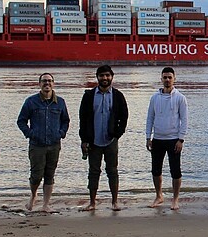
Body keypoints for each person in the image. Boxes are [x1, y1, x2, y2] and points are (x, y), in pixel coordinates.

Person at [17, 72, 71, 212]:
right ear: (39, 84)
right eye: (44, 81)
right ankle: (33, 196)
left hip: (54, 144)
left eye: (50, 81)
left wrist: (61, 133)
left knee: (50, 174)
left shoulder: (60, 102)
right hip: (37, 145)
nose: (47, 84)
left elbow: (65, 120)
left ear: (53, 83)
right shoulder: (31, 101)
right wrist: (30, 134)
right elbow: (21, 120)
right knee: (36, 175)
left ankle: (46, 204)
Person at [79, 65, 129, 211]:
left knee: (112, 171)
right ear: (97, 77)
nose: (105, 78)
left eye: (107, 75)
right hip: (93, 140)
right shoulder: (88, 96)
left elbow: (124, 116)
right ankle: (92, 202)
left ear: (112, 77)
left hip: (110, 141)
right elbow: (82, 119)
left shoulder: (118, 96)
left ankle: (114, 202)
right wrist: (84, 140)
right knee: (93, 171)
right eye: (102, 75)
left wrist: (118, 134)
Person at [146, 67, 188, 210]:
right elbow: (150, 118)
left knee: (175, 170)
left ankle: (175, 199)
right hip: (157, 139)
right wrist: (148, 137)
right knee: (155, 170)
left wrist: (181, 139)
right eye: (165, 77)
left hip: (173, 139)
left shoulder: (180, 98)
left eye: (170, 77)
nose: (167, 80)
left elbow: (185, 120)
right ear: (161, 79)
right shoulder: (154, 98)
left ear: (174, 78)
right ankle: (159, 196)